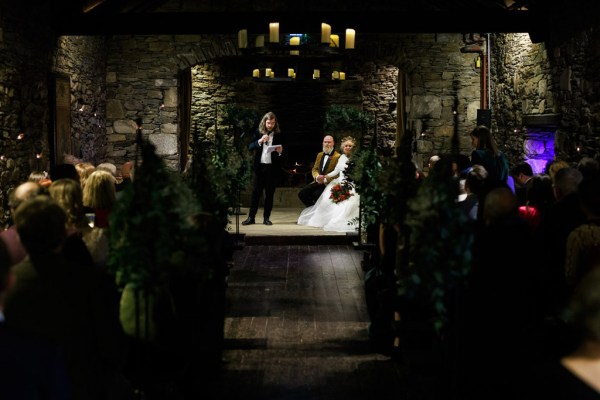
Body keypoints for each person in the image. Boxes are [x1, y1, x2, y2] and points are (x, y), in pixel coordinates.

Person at [297, 136, 359, 232]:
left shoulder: (346, 157)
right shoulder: (338, 157)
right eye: (346, 145)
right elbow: (333, 170)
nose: (348, 147)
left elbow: (355, 172)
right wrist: (321, 177)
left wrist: (327, 179)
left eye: (350, 146)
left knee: (343, 203)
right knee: (303, 193)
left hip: (347, 183)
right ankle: (315, 212)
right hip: (323, 180)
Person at [242, 111, 285, 226]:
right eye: (268, 123)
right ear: (264, 122)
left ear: (275, 123)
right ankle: (251, 217)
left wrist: (280, 152)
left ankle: (266, 218)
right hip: (259, 168)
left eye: (272, 123)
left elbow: (284, 153)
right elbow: (250, 147)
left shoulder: (279, 134)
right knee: (255, 194)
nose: (270, 125)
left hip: (272, 169)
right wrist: (259, 141)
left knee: (269, 194)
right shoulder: (258, 132)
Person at [298, 135, 341, 208]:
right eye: (325, 142)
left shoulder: (338, 156)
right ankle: (313, 210)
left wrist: (324, 178)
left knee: (316, 195)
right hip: (317, 181)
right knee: (302, 194)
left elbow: (337, 173)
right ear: (323, 143)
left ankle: (319, 213)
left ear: (333, 143)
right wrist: (317, 177)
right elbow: (315, 169)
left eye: (329, 142)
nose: (327, 144)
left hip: (328, 183)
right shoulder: (320, 155)